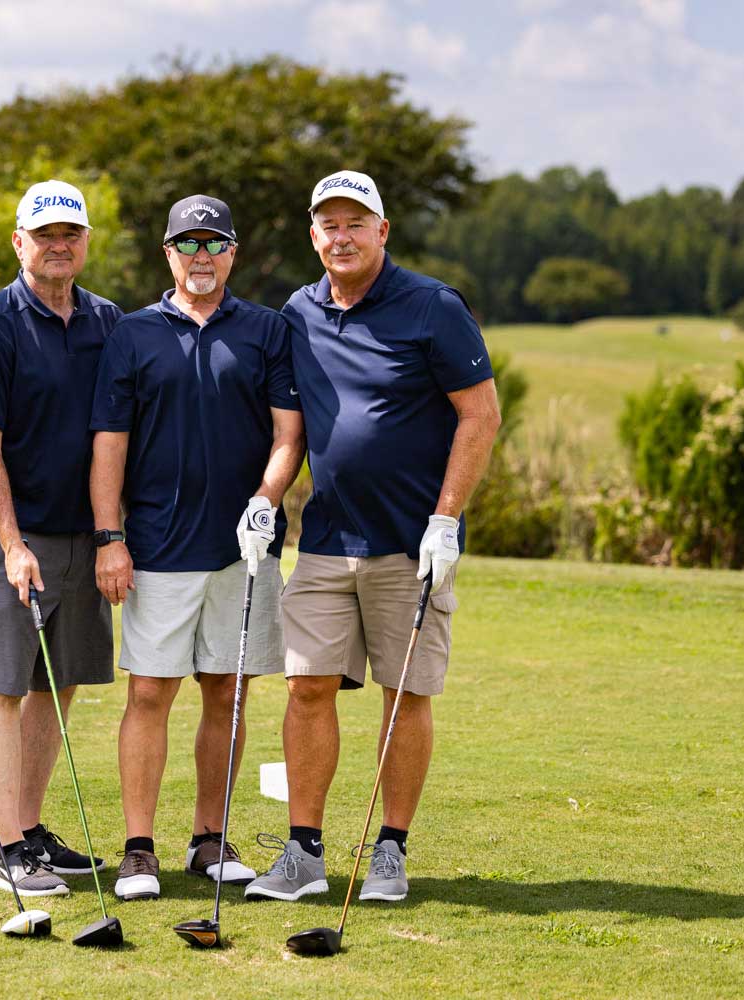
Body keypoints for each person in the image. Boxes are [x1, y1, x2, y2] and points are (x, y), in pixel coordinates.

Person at [245, 170, 501, 903]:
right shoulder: (299, 313)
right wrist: (266, 498)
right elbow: (292, 429)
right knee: (306, 686)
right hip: (328, 538)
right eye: (329, 224)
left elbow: (480, 415)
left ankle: (391, 848)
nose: (342, 236)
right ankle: (303, 853)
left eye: (356, 223)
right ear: (313, 235)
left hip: (412, 545)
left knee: (405, 692)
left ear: (382, 231)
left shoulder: (433, 306)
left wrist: (446, 520)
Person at [90, 195, 305, 901]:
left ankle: (209, 838)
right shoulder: (133, 333)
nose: (202, 256)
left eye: (214, 244)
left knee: (228, 691)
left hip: (243, 551)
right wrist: (110, 536)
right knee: (150, 691)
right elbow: (110, 444)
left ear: (233, 253)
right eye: (189, 244)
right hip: (156, 546)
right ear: (169, 254)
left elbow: (289, 434)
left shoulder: (267, 331)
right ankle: (138, 850)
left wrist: (266, 500)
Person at [0, 180, 123, 897]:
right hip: (9, 539)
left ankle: (30, 826)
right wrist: (12, 542)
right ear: (18, 241)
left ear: (85, 242)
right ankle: (9, 849)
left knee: (61, 680)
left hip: (84, 533)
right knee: (4, 683)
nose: (58, 245)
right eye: (44, 234)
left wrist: (112, 532)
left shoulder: (108, 321)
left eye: (70, 234)